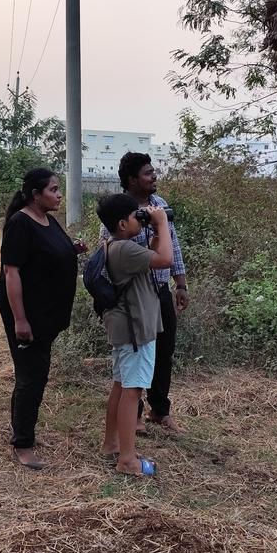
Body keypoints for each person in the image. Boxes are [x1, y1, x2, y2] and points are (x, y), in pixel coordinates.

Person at [0, 168, 85, 470]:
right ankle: (22, 444)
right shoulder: (20, 223)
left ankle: (26, 430)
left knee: (38, 372)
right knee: (31, 377)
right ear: (36, 194)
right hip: (28, 314)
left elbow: (44, 253)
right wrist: (20, 320)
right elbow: (11, 273)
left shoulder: (47, 220)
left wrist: (70, 250)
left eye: (59, 189)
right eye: (54, 190)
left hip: (47, 313)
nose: (59, 195)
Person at [99, 151, 189, 435]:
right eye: (148, 173)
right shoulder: (119, 214)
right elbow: (108, 255)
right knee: (136, 356)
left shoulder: (159, 206)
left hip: (159, 289)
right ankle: (133, 415)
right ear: (131, 180)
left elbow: (172, 247)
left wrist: (181, 284)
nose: (154, 177)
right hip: (134, 297)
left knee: (164, 351)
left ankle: (160, 411)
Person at [95, 193, 172, 477]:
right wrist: (162, 223)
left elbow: (152, 255)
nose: (141, 218)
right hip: (136, 329)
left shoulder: (114, 245)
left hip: (125, 326)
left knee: (121, 385)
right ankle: (127, 459)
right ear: (122, 224)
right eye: (135, 216)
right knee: (133, 391)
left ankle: (112, 444)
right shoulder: (124, 250)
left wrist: (152, 230)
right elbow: (164, 259)